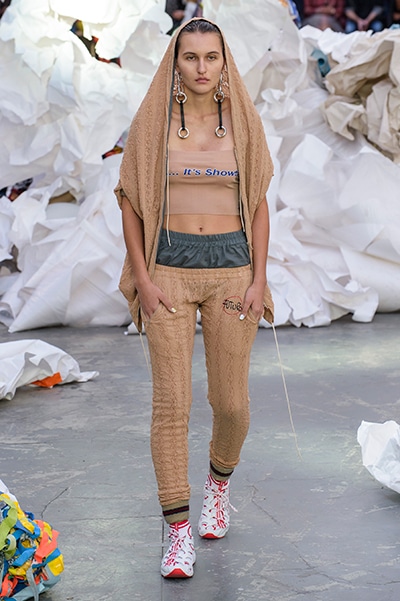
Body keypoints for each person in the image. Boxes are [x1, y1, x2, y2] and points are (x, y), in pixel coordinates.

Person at [115, 17, 274, 579]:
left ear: (224, 61)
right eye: (191, 57)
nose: (201, 68)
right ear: (175, 62)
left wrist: (258, 280)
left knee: (231, 405)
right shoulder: (153, 122)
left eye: (211, 57)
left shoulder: (242, 121)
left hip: (232, 271)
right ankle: (178, 531)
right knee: (172, 405)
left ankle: (218, 483)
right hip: (169, 273)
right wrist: (144, 280)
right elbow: (130, 200)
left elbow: (258, 202)